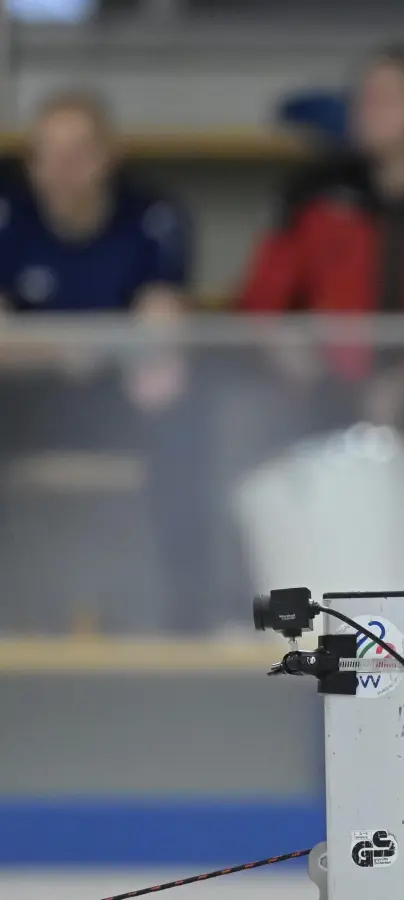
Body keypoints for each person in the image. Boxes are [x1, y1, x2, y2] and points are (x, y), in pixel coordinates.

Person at [237, 44, 404, 621]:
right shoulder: (316, 193)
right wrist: (282, 341)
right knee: (242, 419)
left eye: (386, 98)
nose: (368, 109)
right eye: (364, 98)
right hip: (319, 377)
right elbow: (264, 292)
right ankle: (247, 606)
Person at [0, 88, 215, 632]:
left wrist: (47, 342)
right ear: (32, 163)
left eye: (80, 151)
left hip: (119, 395)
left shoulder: (153, 217)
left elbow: (161, 329)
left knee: (181, 406)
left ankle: (184, 616)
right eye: (50, 153)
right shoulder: (8, 217)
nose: (65, 168)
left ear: (108, 157)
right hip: (25, 395)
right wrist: (81, 346)